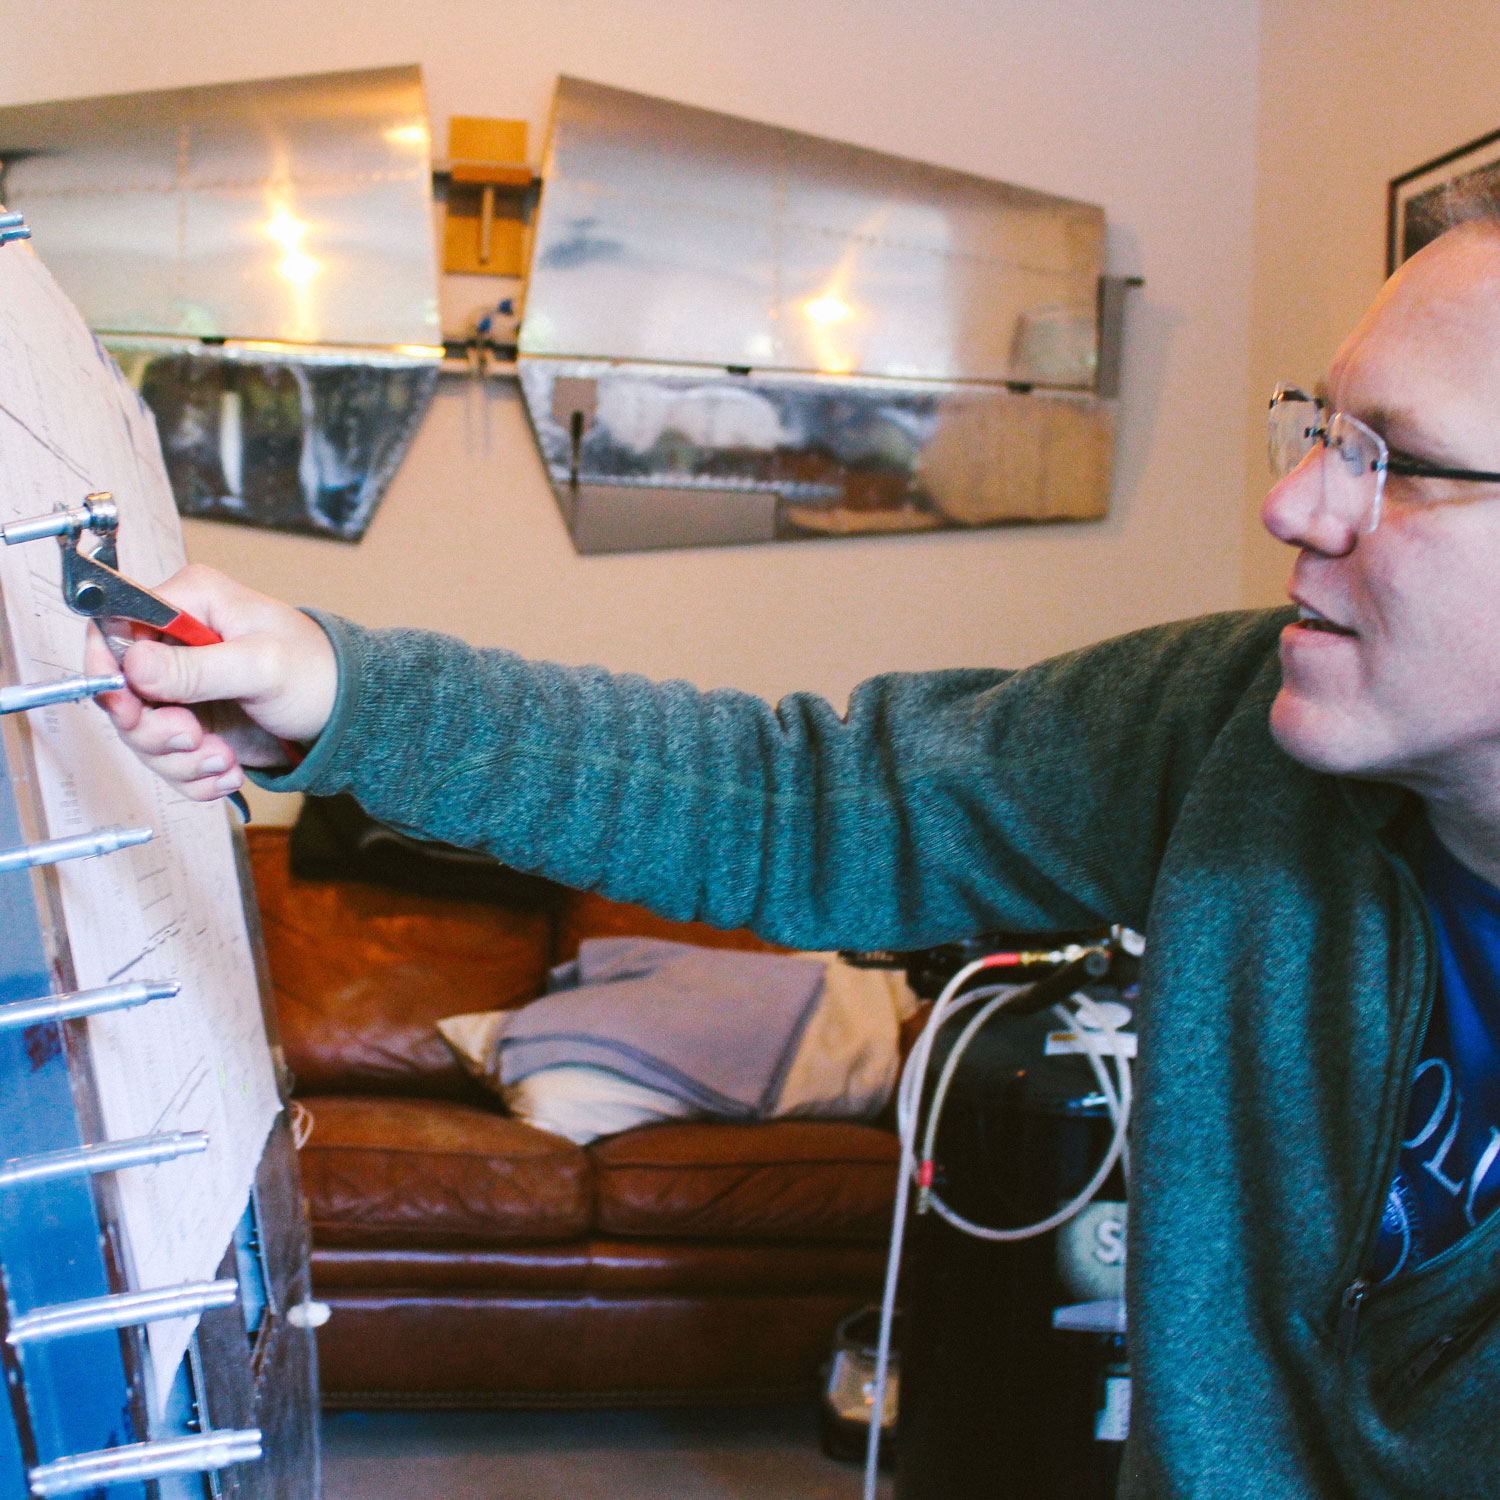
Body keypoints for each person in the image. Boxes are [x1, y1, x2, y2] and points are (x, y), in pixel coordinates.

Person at [93, 201, 1500, 1498]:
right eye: (1318, 431)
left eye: (1395, 463)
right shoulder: (1230, 724)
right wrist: (341, 694)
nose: (1296, 504)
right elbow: (806, 799)